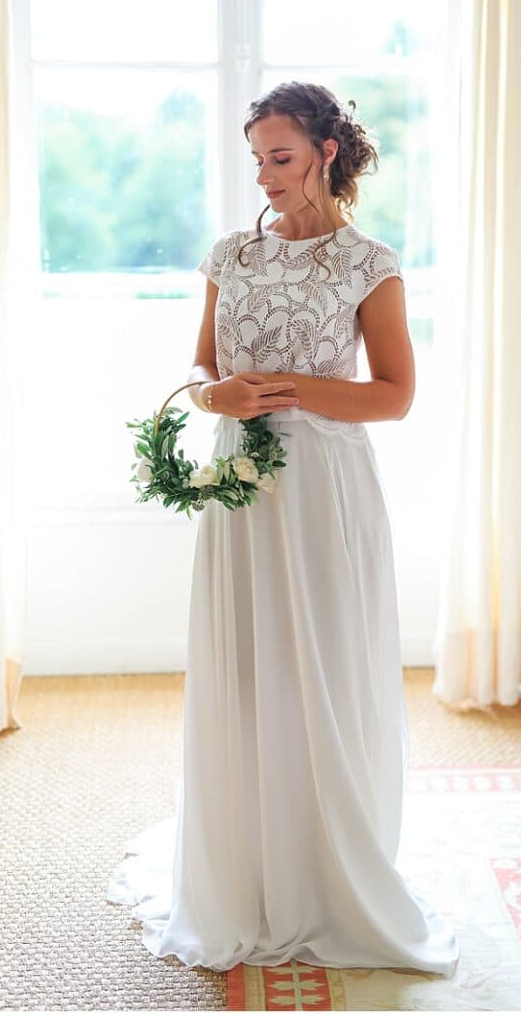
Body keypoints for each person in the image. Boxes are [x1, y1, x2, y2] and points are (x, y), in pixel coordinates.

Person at [107, 81, 460, 977]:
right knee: (246, 663)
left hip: (322, 487)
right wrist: (210, 392)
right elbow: (202, 361)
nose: (264, 176)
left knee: (322, 666)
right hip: (239, 488)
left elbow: (395, 393)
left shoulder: (367, 262)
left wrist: (293, 389)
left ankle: (327, 868)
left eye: (282, 157)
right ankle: (247, 866)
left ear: (327, 152)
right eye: (256, 158)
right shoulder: (230, 253)